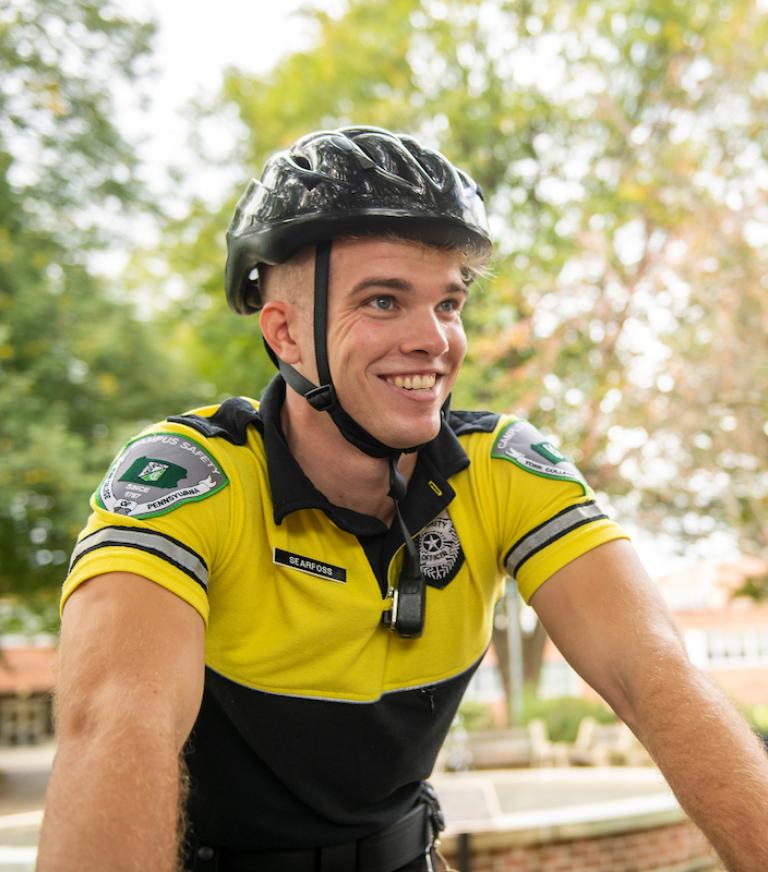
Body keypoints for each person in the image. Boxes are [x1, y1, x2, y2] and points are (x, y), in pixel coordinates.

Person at [38, 126, 768, 872]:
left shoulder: (504, 469)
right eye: (384, 301)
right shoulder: (192, 476)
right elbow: (112, 727)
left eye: (448, 304)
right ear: (286, 334)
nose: (434, 340)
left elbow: (657, 679)